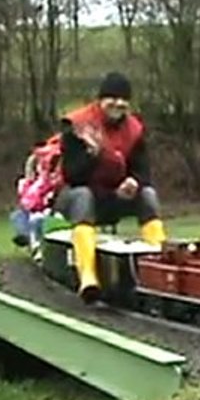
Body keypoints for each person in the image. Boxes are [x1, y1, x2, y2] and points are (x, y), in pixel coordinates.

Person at [54, 71, 167, 303]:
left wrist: (134, 181)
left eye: (124, 100)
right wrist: (93, 156)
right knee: (83, 197)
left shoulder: (134, 130)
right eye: (112, 99)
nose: (118, 104)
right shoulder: (77, 126)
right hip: (78, 197)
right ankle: (88, 276)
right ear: (100, 100)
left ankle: (160, 269)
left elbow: (143, 168)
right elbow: (72, 175)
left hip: (115, 196)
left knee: (148, 195)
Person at [10, 134, 63, 260]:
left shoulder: (55, 173)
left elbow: (52, 191)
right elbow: (29, 194)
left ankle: (33, 242)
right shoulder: (33, 172)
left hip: (50, 207)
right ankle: (28, 238)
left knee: (36, 219)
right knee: (17, 215)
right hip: (35, 204)